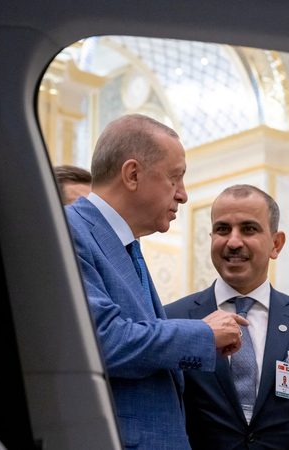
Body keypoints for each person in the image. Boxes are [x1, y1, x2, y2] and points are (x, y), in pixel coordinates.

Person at [65, 114, 247, 449]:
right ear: (132, 174)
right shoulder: (69, 231)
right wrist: (203, 334)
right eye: (175, 178)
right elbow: (105, 341)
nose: (183, 195)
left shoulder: (123, 243)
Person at [165, 184, 289, 450]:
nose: (233, 242)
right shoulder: (173, 319)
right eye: (222, 229)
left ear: (276, 244)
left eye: (249, 229)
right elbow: (167, 418)